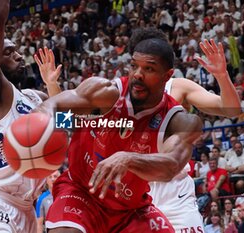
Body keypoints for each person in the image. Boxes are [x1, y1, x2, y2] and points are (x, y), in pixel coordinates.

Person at [35, 29, 202, 232]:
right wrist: (39, 123)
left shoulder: (178, 121)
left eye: (148, 69)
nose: (138, 74)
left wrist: (127, 158)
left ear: (167, 76)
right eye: (134, 66)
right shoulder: (105, 93)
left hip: (130, 209)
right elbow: (56, 107)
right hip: (81, 193)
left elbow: (171, 167)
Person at [127, 28, 240, 232]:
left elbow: (231, 110)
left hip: (175, 190)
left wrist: (222, 76)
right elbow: (72, 121)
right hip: (136, 192)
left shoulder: (177, 86)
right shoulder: (119, 93)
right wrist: (53, 86)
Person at [0, 0, 61, 232]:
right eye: (8, 52)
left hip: (26, 208)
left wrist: (53, 85)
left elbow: (69, 123)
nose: (18, 56)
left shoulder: (34, 97)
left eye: (17, 50)